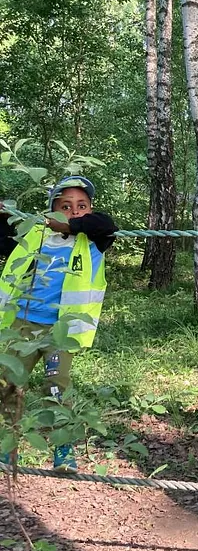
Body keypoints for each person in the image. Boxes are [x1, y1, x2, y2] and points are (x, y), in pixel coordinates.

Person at [0, 176, 118, 472]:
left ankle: (63, 450)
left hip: (61, 331)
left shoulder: (93, 240)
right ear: (51, 210)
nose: (74, 211)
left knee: (57, 387)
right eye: (65, 206)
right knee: (8, 384)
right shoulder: (35, 236)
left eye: (81, 206)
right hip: (23, 325)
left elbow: (106, 224)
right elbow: (4, 240)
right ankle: (6, 447)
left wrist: (71, 225)